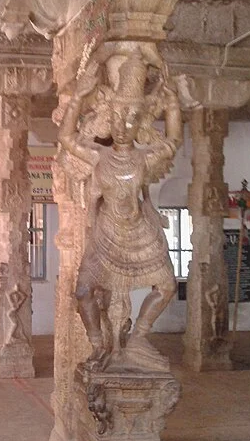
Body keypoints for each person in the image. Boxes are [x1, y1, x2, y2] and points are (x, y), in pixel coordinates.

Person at [58, 46, 182, 371]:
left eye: (131, 117)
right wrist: (77, 98)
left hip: (140, 234)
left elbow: (172, 143)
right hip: (107, 234)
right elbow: (67, 139)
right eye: (118, 117)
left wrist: (172, 105)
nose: (124, 124)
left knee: (167, 285)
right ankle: (98, 344)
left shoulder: (143, 157)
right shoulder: (99, 157)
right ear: (109, 119)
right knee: (83, 291)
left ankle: (139, 336)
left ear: (138, 120)